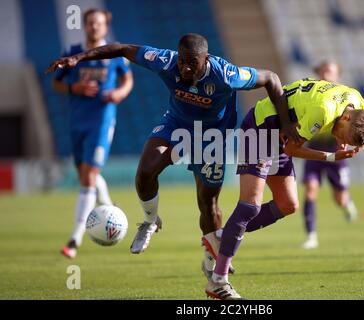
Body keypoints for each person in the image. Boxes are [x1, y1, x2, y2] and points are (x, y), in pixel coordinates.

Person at [47, 33, 300, 276]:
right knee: (146, 170)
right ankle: (149, 222)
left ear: (205, 59)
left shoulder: (226, 74)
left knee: (208, 203)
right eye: (182, 61)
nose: (185, 68)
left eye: (193, 63)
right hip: (176, 126)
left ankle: (211, 260)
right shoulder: (165, 61)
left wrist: (286, 123)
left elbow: (271, 78)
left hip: (211, 138)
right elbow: (123, 48)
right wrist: (78, 58)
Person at [205, 78, 364, 299]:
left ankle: (221, 236)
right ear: (345, 117)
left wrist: (345, 141)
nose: (341, 140)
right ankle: (218, 281)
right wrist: (332, 156)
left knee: (288, 204)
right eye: (343, 136)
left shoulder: (356, 100)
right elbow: (291, 149)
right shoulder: (323, 111)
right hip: (260, 127)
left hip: (280, 134)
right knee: (249, 206)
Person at [52, 8, 133, 259]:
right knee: (85, 175)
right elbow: (56, 83)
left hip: (101, 121)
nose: (94, 27)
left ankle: (74, 239)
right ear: (85, 26)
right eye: (90, 23)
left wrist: (119, 93)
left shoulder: (115, 54)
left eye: (98, 24)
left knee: (89, 177)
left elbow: (128, 81)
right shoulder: (72, 53)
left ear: (105, 27)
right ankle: (108, 205)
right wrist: (73, 87)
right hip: (78, 122)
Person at [301, 61, 357, 250]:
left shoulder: (345, 97)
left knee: (339, 198)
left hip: (336, 150)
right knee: (310, 190)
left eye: (330, 71)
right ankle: (311, 236)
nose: (325, 74)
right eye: (323, 70)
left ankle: (347, 203)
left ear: (337, 76)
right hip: (314, 148)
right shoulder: (313, 95)